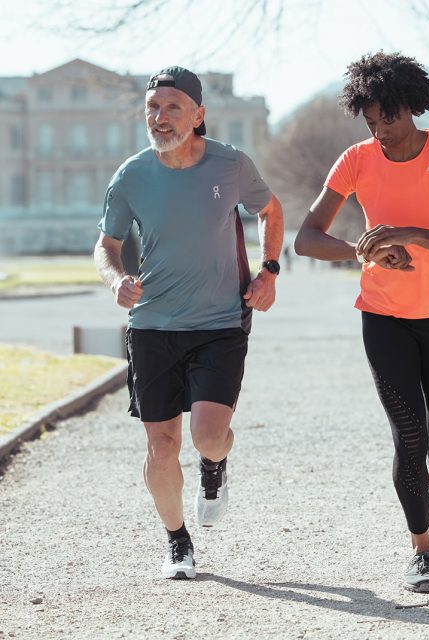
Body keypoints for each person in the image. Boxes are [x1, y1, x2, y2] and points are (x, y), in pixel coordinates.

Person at [295, 52, 429, 592]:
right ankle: (421, 550)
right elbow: (306, 238)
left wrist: (412, 234)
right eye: (371, 121)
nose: (381, 130)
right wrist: (367, 253)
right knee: (409, 432)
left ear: (413, 105)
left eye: (390, 117)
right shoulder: (356, 160)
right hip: (384, 317)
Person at [94, 66, 283, 580]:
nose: (159, 117)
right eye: (153, 108)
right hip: (152, 325)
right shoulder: (131, 175)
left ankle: (216, 465)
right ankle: (177, 541)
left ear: (198, 115)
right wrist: (116, 280)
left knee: (208, 435)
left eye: (172, 107)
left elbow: (270, 210)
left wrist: (269, 271)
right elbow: (107, 246)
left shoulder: (230, 164)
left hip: (220, 322)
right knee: (161, 444)